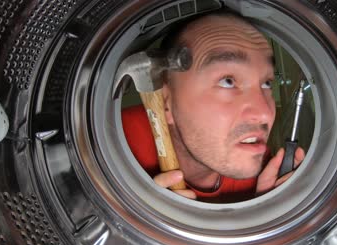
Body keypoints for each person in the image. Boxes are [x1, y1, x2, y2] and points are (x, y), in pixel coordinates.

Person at [122, 11, 305, 203]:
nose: (264, 114)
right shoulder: (112, 148)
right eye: (228, 81)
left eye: (267, 83)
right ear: (166, 103)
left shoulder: (258, 163)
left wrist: (264, 207)